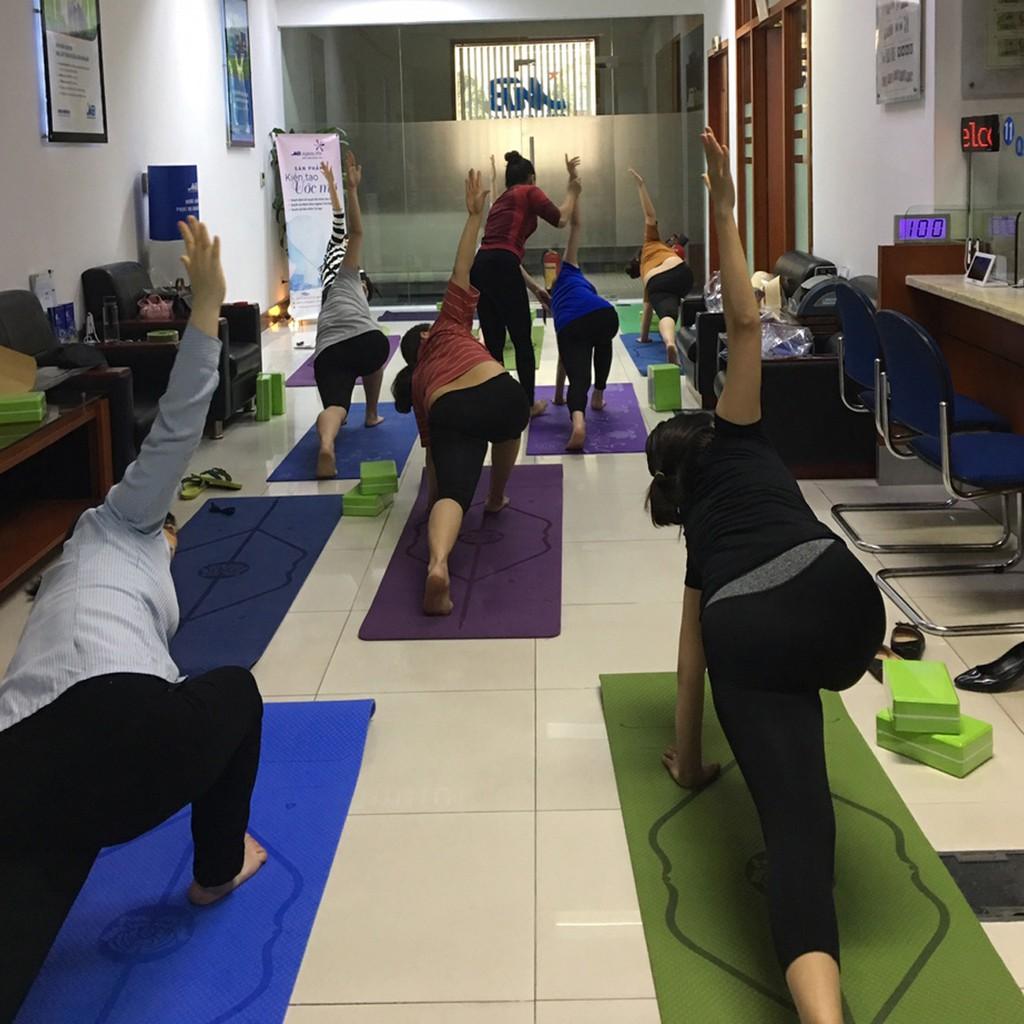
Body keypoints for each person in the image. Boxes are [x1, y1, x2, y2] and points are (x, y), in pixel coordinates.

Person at [0, 218, 266, 1021]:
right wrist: (206, 307)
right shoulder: (122, 519)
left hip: (28, 766)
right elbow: (177, 427)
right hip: (127, 735)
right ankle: (217, 871)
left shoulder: (68, 593)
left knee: (47, 865)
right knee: (238, 693)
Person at [645, 129, 884, 1024]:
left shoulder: (699, 547)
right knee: (815, 664)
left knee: (796, 834)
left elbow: (691, 663)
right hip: (845, 604)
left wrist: (690, 761)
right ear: (706, 430)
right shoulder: (739, 433)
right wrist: (725, 203)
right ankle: (853, 663)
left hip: (752, 628)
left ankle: (822, 1014)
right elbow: (747, 322)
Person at [392, 169, 530, 617]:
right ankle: (496, 496)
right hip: (500, 393)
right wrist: (474, 217)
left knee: (453, 493)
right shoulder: (449, 324)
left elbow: (432, 453)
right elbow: (461, 270)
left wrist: (437, 495)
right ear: (426, 333)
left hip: (449, 407)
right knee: (509, 425)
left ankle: (437, 563)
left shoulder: (419, 381)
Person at [470, 150, 581, 417]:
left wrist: (534, 288)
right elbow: (561, 219)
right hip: (502, 266)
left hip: (481, 267)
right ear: (531, 177)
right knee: (522, 340)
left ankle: (495, 401)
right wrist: (572, 191)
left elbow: (501, 251)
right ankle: (528, 405)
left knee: (494, 342)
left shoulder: (501, 201)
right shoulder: (529, 191)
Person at [312, 150, 390, 479]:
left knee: (336, 408)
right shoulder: (346, 271)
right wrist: (350, 189)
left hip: (328, 350)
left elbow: (342, 224)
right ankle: (371, 413)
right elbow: (350, 229)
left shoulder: (328, 294)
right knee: (373, 353)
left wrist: (336, 186)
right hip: (366, 342)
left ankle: (326, 443)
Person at [542, 181, 619, 451]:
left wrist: (558, 396)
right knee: (603, 342)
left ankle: (578, 424)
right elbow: (576, 226)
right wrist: (575, 191)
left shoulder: (554, 301)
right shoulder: (571, 271)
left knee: (579, 377)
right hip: (604, 315)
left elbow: (564, 360)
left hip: (573, 326)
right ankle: (598, 396)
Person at [626, 167, 694, 365]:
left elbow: (647, 311)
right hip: (682, 273)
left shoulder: (645, 274)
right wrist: (641, 186)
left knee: (666, 314)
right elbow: (650, 215)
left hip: (658, 282)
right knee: (673, 307)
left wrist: (643, 338)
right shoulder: (651, 242)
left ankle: (669, 342)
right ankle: (674, 341)